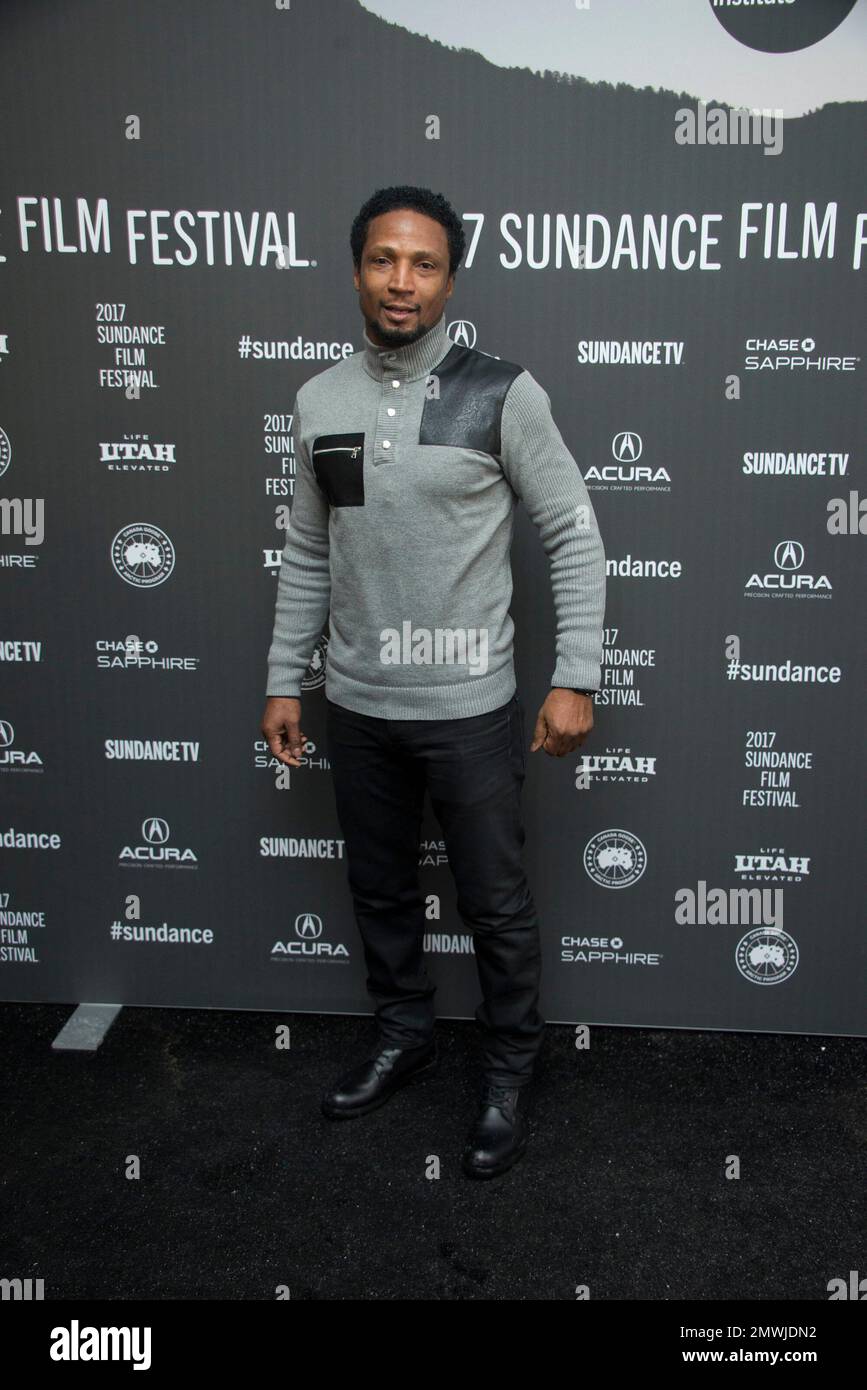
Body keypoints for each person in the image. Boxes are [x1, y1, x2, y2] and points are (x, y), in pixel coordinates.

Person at [261, 185, 606, 1179]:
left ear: (450, 279)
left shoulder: (503, 392)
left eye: (422, 263)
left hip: (469, 710)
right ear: (357, 268)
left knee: (494, 902)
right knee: (379, 889)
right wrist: (289, 676)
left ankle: (508, 1067)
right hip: (359, 705)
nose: (400, 281)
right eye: (382, 260)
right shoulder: (318, 400)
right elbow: (307, 550)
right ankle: (403, 1032)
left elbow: (575, 539)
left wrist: (574, 672)